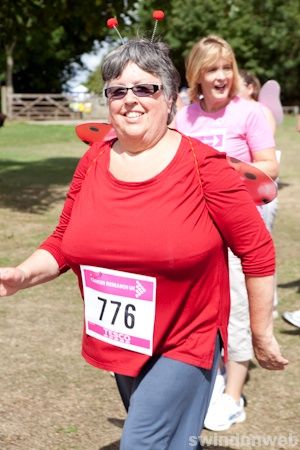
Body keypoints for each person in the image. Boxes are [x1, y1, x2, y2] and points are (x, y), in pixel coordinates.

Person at [0, 38, 288, 450]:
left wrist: (260, 333)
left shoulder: (204, 166)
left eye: (145, 88)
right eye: (117, 90)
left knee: (141, 442)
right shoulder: (95, 159)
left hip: (186, 338)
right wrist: (22, 274)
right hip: (124, 339)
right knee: (172, 442)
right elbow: (64, 239)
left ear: (169, 97)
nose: (130, 100)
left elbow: (256, 249)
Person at [175, 35, 280, 432]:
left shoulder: (249, 113)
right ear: (196, 76)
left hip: (237, 229)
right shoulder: (183, 118)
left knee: (238, 310)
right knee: (198, 309)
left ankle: (233, 397)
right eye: (210, 69)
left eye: (226, 68)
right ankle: (211, 375)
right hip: (192, 229)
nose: (220, 76)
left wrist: (230, 170)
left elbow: (269, 166)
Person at [239, 68, 281, 318]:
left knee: (262, 249)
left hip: (260, 188)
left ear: (250, 88)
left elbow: (265, 151)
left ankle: (269, 302)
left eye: (239, 85)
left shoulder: (258, 112)